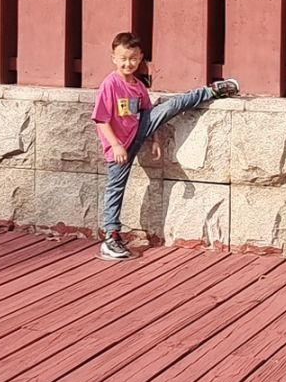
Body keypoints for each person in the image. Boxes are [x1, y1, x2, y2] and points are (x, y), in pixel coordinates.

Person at [92, 31, 239, 259]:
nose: (128, 63)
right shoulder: (110, 85)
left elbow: (148, 114)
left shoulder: (138, 86)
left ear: (140, 58)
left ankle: (213, 91)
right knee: (115, 189)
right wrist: (116, 145)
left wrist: (155, 139)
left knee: (171, 106)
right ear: (113, 58)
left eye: (133, 58)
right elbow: (101, 119)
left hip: (138, 132)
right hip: (120, 147)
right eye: (123, 59)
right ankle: (111, 239)